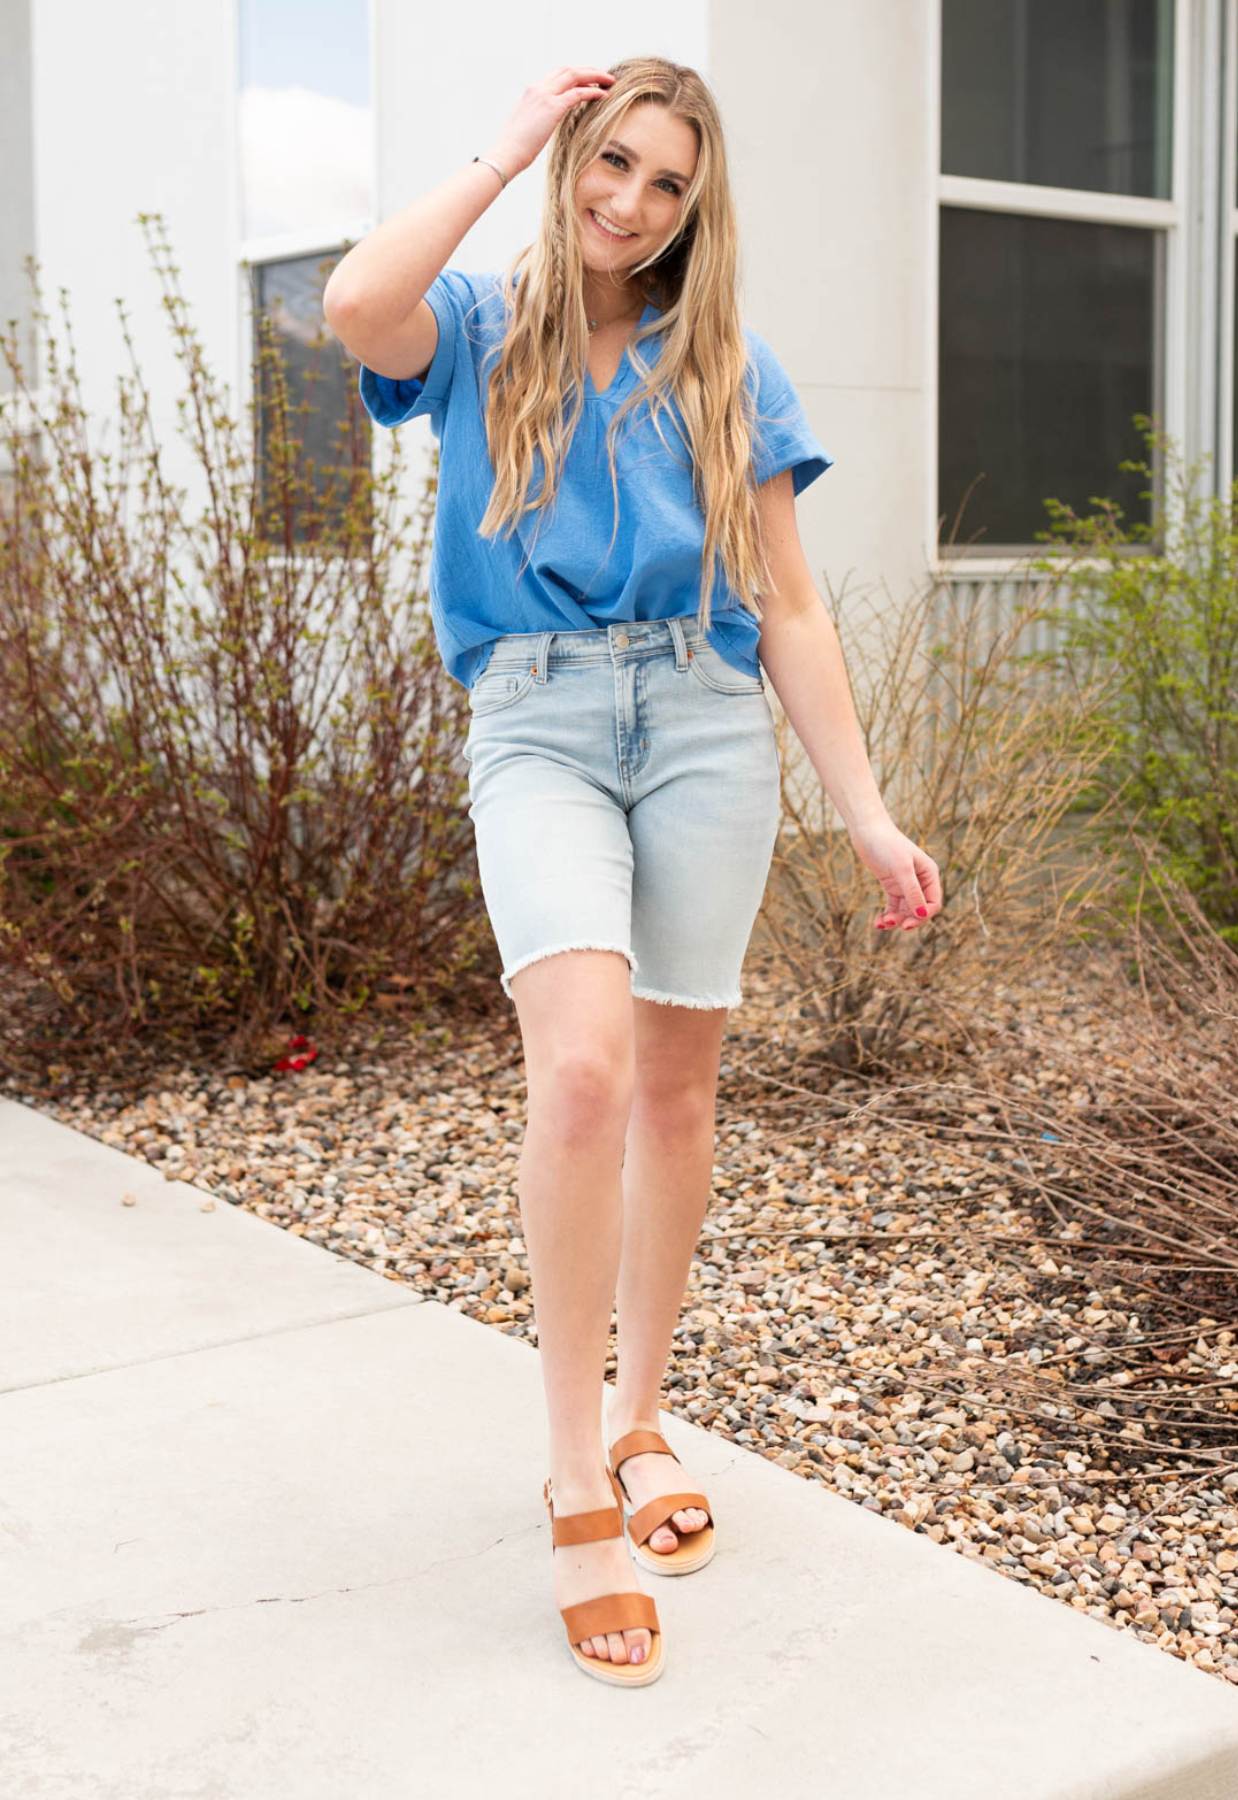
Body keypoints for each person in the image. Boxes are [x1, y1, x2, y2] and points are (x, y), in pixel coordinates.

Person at [324, 56, 942, 1689]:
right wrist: (509, 143)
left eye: (666, 182)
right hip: (531, 717)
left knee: (674, 1087)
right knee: (581, 1071)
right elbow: (351, 301)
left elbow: (791, 605)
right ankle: (573, 1473)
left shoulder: (720, 361)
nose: (630, 203)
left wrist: (864, 809)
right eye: (612, 164)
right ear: (572, 158)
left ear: (694, 206)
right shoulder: (477, 326)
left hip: (702, 720)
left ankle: (643, 1413)